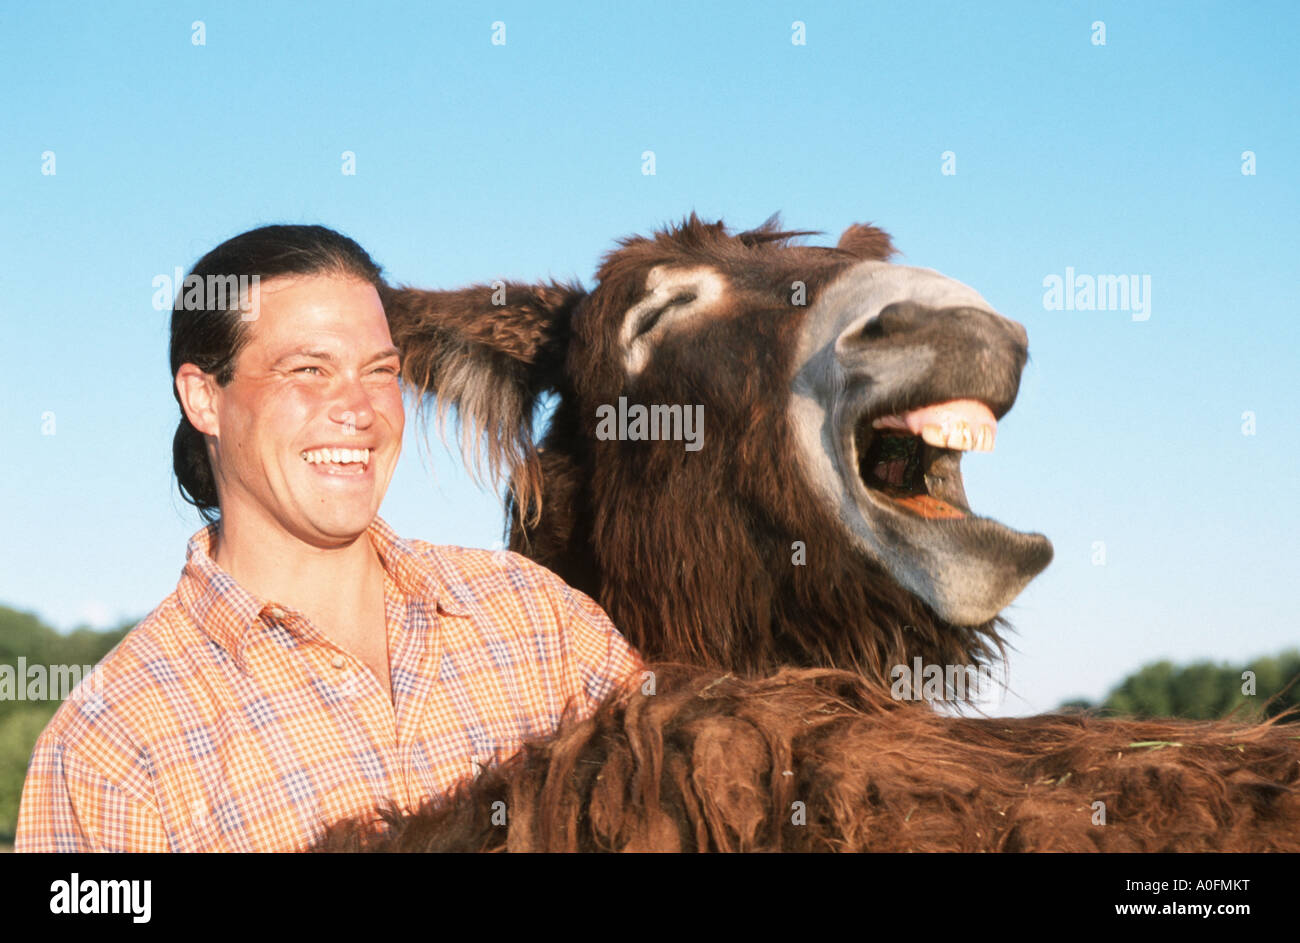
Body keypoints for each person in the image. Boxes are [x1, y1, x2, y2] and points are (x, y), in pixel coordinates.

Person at [15, 224, 643, 852]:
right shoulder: (113, 747)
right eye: (309, 368)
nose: (360, 408)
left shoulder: (543, 622)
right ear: (203, 397)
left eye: (379, 371)